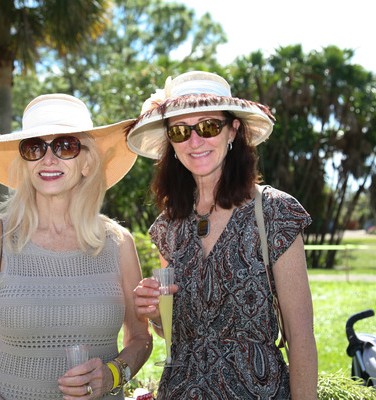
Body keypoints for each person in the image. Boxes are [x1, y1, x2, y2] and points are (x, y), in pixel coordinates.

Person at [0, 94, 152, 400]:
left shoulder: (119, 243)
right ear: (25, 163)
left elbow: (141, 338)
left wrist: (113, 374)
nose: (48, 159)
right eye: (34, 147)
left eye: (65, 146)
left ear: (87, 162)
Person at [127, 71, 318, 399]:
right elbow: (172, 334)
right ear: (171, 143)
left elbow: (301, 340)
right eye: (180, 131)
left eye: (208, 126)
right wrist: (158, 313)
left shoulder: (274, 212)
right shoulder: (168, 226)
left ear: (233, 130)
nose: (195, 141)